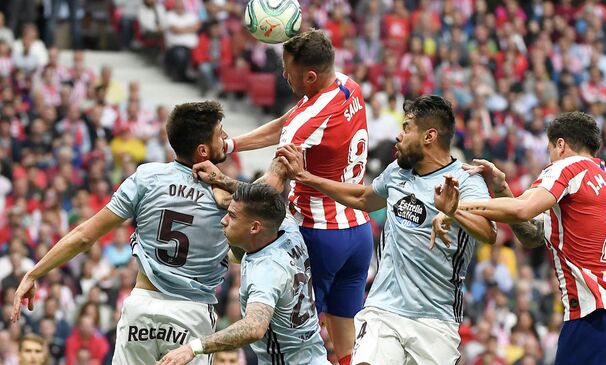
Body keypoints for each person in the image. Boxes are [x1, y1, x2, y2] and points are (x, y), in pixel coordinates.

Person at [276, 94, 496, 364]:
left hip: (435, 318)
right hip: (383, 309)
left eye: (406, 127)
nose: (398, 136)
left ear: (429, 136)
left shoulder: (464, 180)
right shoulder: (397, 173)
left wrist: (453, 211)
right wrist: (305, 177)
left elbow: (488, 232)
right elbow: (362, 198)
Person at [12, 101, 232, 364]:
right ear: (203, 150)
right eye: (221, 133)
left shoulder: (147, 177)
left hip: (143, 307)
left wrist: (34, 272)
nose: (227, 139)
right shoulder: (226, 196)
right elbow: (247, 249)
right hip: (191, 313)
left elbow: (84, 235)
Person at [213, 29, 373, 365]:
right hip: (358, 234)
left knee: (301, 344)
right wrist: (232, 146)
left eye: (288, 71)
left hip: (318, 235)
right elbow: (290, 120)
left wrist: (228, 189)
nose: (284, 76)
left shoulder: (305, 124)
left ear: (310, 75)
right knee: (348, 345)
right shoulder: (348, 86)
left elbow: (269, 185)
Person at [435, 111, 606, 365]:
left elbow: (523, 209)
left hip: (594, 316)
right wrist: (502, 188)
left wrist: (457, 207)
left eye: (549, 149)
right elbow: (531, 235)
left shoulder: (568, 166)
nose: (549, 157)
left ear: (560, 144)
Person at [158, 183, 329, 365]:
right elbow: (267, 201)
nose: (224, 220)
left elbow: (254, 327)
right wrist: (221, 179)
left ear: (254, 228)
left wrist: (192, 348)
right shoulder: (287, 227)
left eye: (232, 215)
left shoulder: (266, 272)